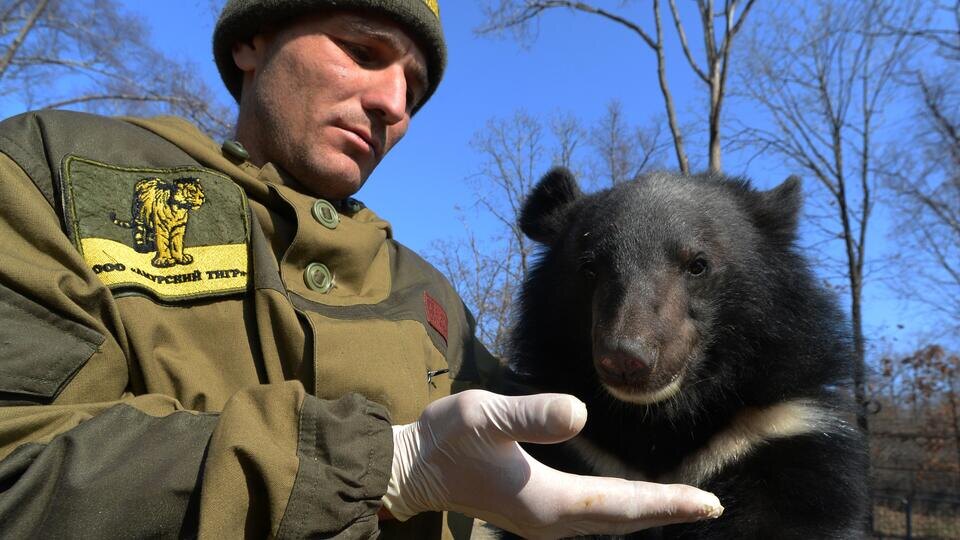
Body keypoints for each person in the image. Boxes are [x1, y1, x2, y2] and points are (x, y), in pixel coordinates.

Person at [0, 0, 722, 537]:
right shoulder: (53, 173)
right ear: (252, 40)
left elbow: (561, 449)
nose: (393, 104)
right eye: (363, 51)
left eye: (414, 87)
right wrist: (381, 466)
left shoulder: (430, 296)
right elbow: (18, 473)